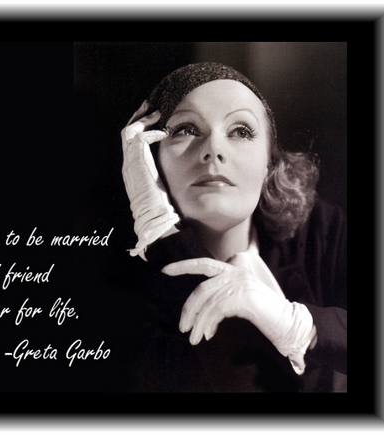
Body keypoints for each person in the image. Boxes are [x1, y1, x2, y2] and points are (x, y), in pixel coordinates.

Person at [121, 62, 346, 392]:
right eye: (186, 129)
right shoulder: (117, 291)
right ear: (152, 160)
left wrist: (299, 327)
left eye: (241, 131)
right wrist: (160, 229)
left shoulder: (324, 233)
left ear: (270, 162)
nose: (213, 149)